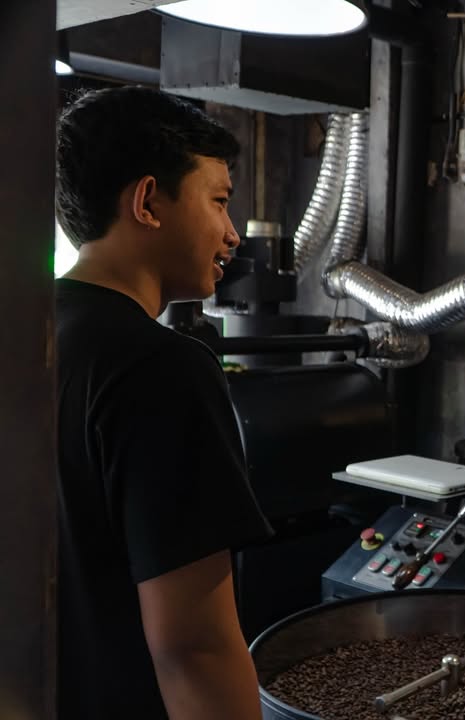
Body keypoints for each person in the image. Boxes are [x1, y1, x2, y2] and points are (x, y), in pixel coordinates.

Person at [55, 86, 272, 719]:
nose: (232, 234)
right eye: (219, 201)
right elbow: (193, 646)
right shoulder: (159, 367)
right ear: (149, 202)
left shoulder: (22, 332)